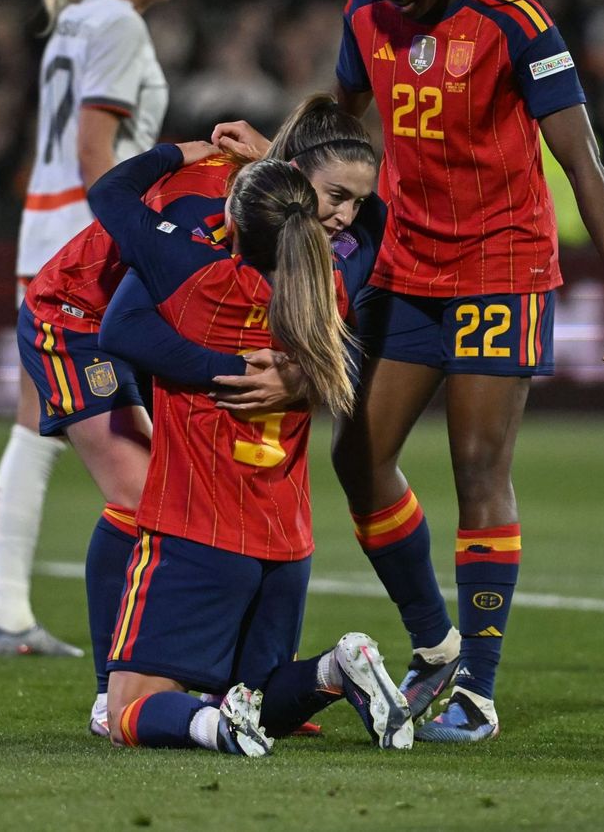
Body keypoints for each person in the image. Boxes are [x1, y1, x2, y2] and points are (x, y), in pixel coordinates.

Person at [329, 0, 604, 743]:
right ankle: (434, 643)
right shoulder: (364, 10)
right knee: (356, 459)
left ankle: (478, 695)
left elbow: (582, 158)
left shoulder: (516, 23)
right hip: (407, 264)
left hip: (500, 262)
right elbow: (343, 118)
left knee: (478, 468)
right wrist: (290, 166)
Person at [19, 93, 381, 736]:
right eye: (336, 199)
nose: (346, 219)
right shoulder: (203, 212)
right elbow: (128, 324)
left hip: (167, 316)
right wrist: (243, 373)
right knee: (142, 495)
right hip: (77, 318)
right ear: (294, 181)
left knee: (192, 487)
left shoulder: (291, 223)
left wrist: (297, 375)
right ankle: (114, 693)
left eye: (356, 203)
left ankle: (231, 686)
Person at [89, 142, 410, 757]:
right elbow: (373, 224)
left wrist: (184, 151)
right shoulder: (333, 291)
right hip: (285, 546)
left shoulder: (190, 273)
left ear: (231, 223)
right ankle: (335, 670)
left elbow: (110, 195)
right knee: (259, 694)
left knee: (125, 708)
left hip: (198, 529)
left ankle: (213, 727)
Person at [0, 0, 189, 658]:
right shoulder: (119, 23)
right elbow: (94, 150)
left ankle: (9, 615)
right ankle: (156, 630)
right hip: (83, 248)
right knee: (144, 439)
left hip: (42, 236)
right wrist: (138, 240)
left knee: (32, 426)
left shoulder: (76, 20)